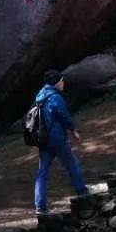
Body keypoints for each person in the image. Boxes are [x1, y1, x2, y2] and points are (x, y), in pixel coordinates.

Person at [33, 69, 87, 216]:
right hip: (56, 139)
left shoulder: (40, 95)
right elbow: (64, 116)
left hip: (43, 139)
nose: (64, 83)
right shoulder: (55, 98)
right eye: (62, 81)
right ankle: (82, 192)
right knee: (71, 164)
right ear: (57, 83)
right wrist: (73, 129)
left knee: (42, 172)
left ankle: (40, 205)